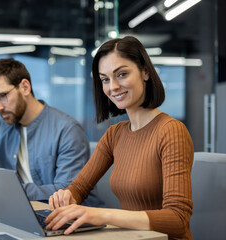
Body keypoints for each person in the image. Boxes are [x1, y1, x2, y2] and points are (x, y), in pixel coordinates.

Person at [45, 36, 194, 240]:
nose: (113, 86)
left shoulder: (171, 131)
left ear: (145, 72)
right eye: (105, 79)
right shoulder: (114, 134)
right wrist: (65, 197)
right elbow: (79, 188)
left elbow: (178, 219)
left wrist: (102, 215)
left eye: (121, 74)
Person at [0, 58, 103, 207]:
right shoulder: (7, 128)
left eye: (2, 96)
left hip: (75, 221)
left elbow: (68, 192)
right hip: (27, 212)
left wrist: (10, 190)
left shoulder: (67, 130)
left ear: (25, 87)